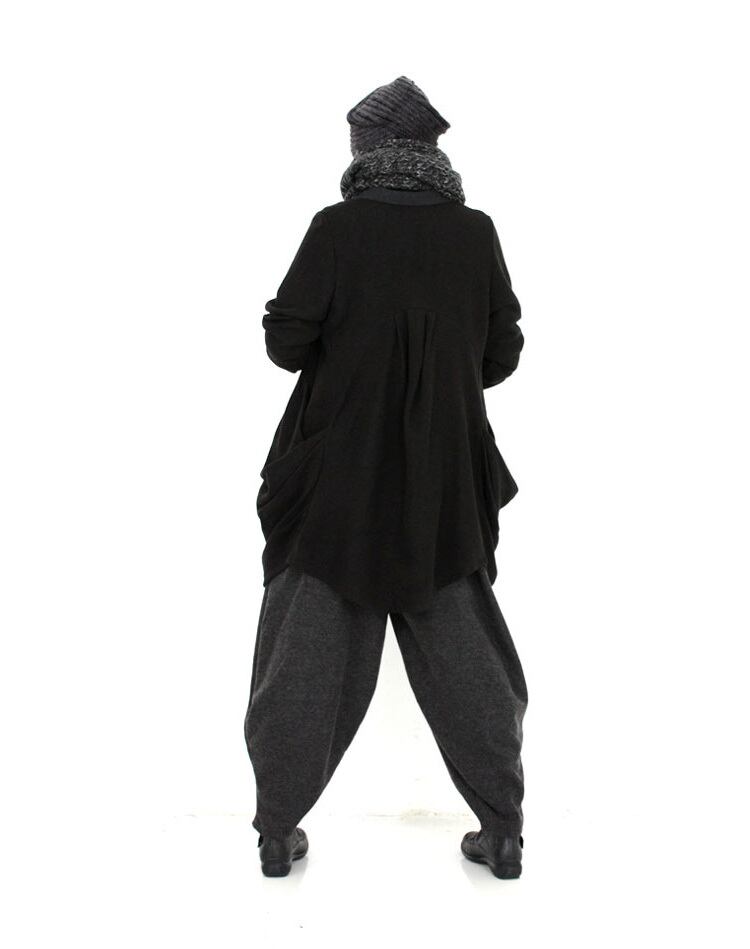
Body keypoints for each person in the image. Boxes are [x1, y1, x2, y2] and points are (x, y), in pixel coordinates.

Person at [244, 76, 528, 879]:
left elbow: (286, 343)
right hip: (445, 480)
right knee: (469, 654)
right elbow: (502, 352)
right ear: (429, 148)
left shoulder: (337, 227)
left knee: (305, 654)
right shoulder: (474, 232)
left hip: (336, 480)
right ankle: (503, 829)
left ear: (369, 147)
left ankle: (277, 831)